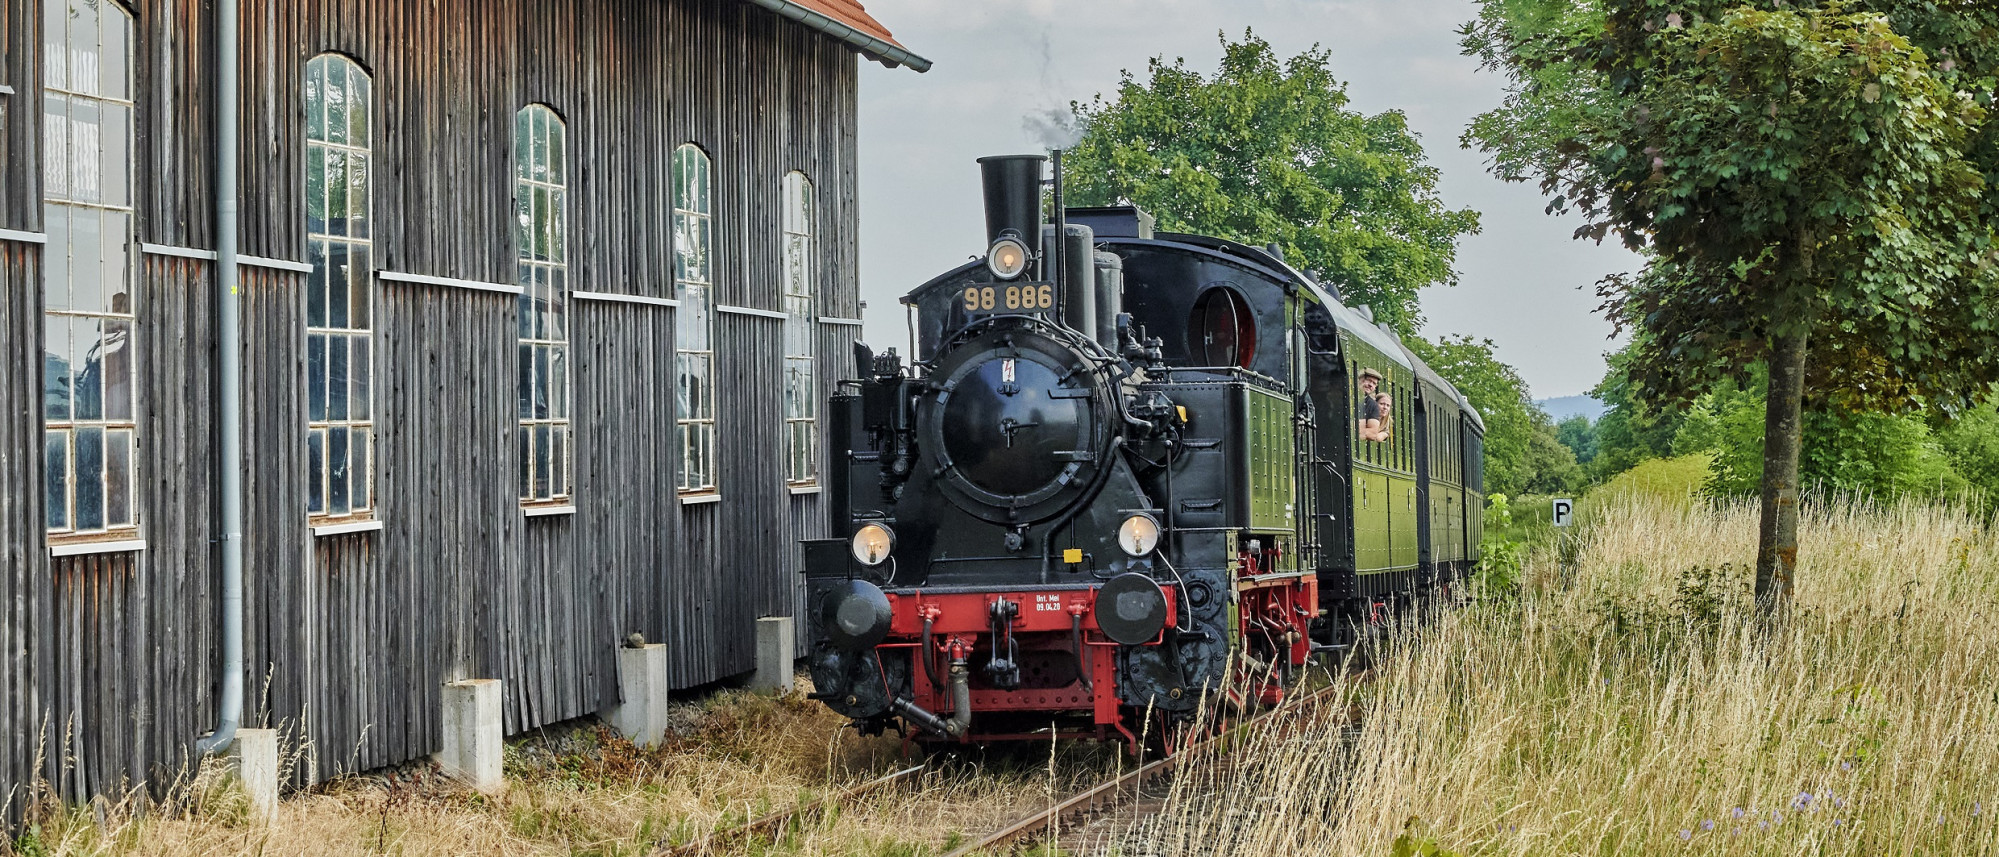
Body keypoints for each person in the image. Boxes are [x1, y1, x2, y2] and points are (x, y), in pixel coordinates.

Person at [1357, 368, 1386, 442]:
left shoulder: (1373, 405)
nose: (1370, 385)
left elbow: (1372, 433)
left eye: (1374, 383)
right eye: (1369, 380)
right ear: (1360, 379)